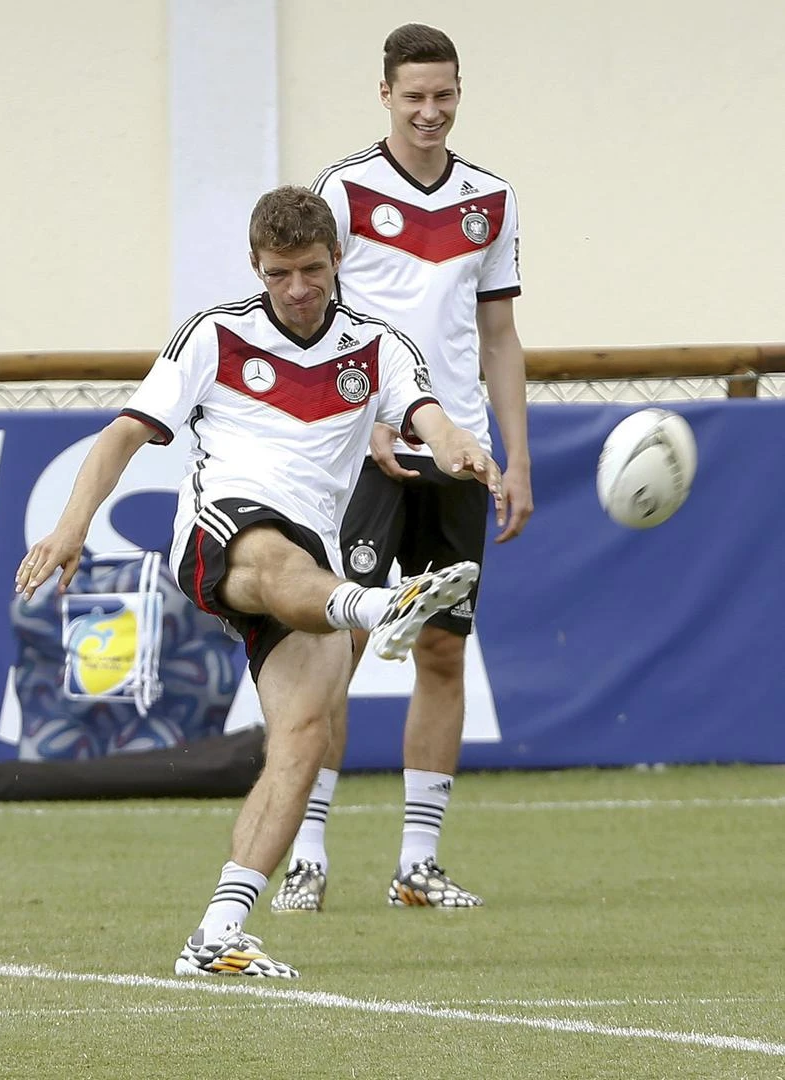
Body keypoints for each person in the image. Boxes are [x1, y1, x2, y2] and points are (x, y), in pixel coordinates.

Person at [15, 186, 505, 978]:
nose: (299, 288)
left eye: (312, 269)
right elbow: (122, 435)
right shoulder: (213, 336)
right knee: (277, 556)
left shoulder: (376, 346)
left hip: (313, 564)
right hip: (224, 535)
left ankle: (217, 931)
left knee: (303, 738)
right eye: (281, 273)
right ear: (257, 267)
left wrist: (456, 448)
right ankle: (381, 604)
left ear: (336, 260)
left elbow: (426, 414)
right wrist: (70, 526)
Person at [271, 24, 533, 915]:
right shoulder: (341, 192)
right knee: (333, 651)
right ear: (384, 94)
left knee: (443, 650)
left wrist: (515, 458)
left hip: (457, 457)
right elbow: (313, 325)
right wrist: (366, 418)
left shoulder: (490, 200)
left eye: (444, 95)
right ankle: (306, 851)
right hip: (363, 456)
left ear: (459, 93)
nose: (429, 111)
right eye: (414, 95)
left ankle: (417, 864)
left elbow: (497, 338)